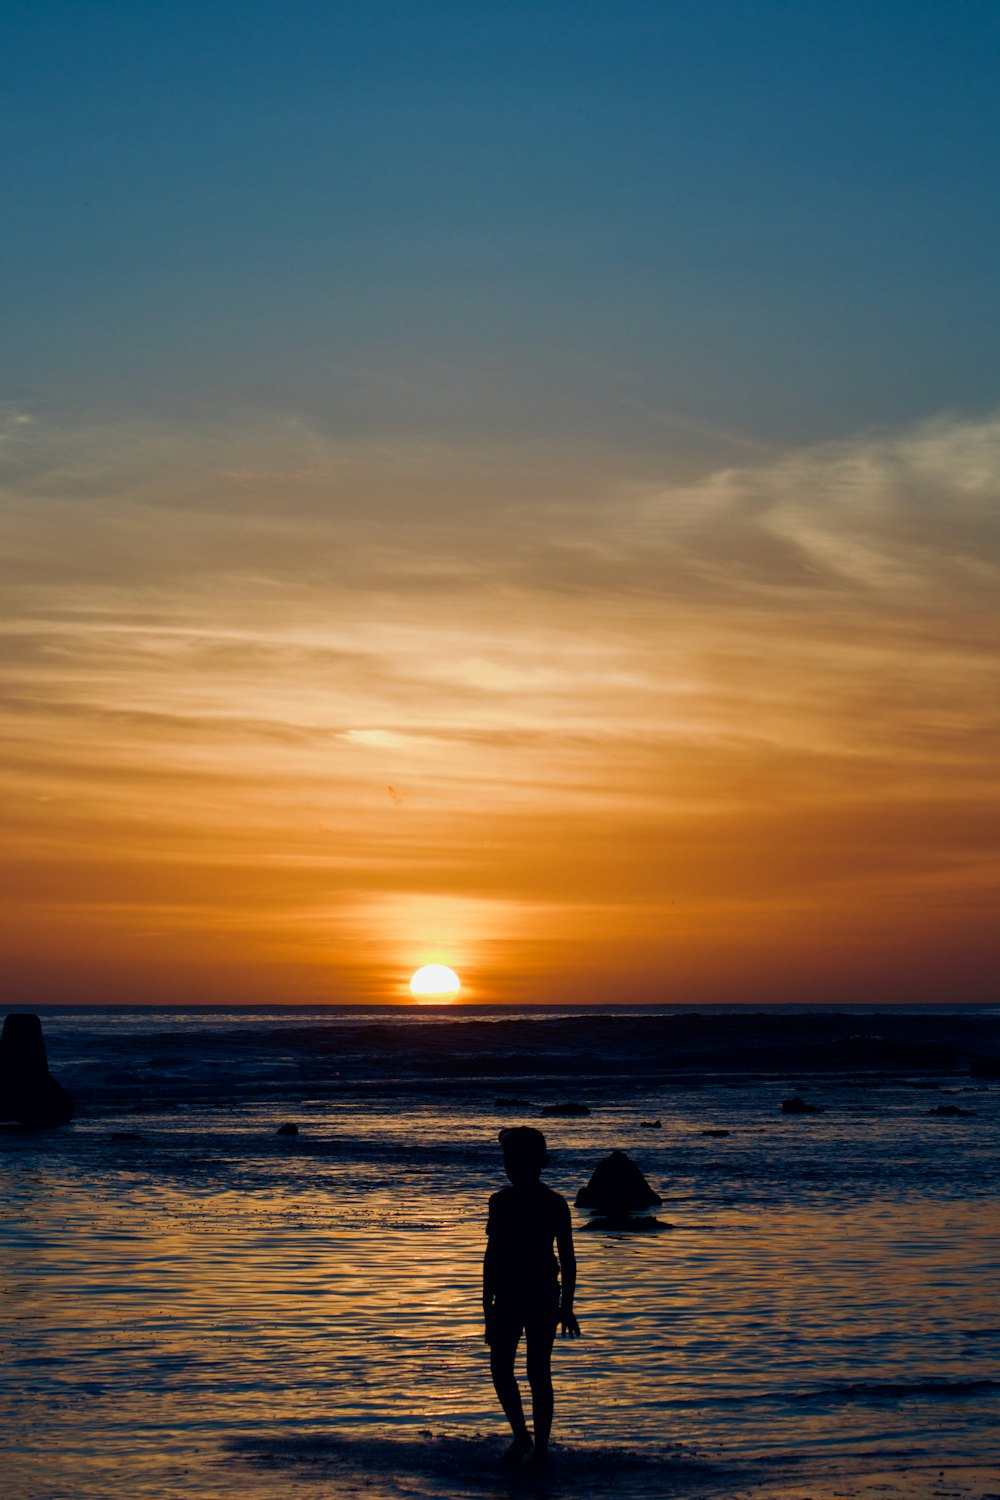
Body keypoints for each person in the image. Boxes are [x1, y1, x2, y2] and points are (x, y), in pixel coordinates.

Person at [483, 1126, 580, 1468]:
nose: (509, 1165)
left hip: (539, 1294)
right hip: (513, 1295)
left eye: (514, 1158)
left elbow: (567, 1258)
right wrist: (487, 1309)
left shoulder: (553, 1203)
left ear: (536, 1162)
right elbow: (491, 1257)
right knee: (504, 1369)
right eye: (507, 1158)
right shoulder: (502, 1201)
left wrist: (566, 1306)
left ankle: (538, 1447)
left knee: (537, 1371)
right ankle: (524, 1437)